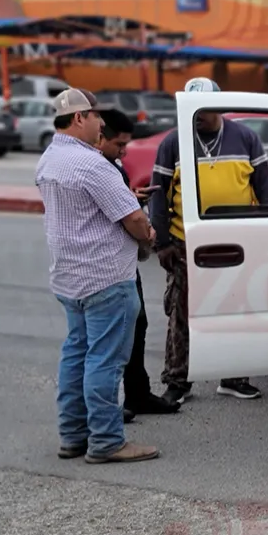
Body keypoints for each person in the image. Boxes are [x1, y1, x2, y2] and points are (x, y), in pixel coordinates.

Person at [35, 88, 159, 464]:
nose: (101, 124)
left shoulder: (49, 159)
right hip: (106, 278)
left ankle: (73, 435)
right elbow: (133, 219)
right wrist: (149, 236)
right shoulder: (92, 165)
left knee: (76, 356)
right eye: (95, 117)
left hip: (70, 277)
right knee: (104, 361)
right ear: (78, 119)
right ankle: (106, 441)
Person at [147, 77, 268, 406]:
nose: (198, 116)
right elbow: (159, 196)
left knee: (235, 310)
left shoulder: (246, 138)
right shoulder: (174, 142)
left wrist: (267, 235)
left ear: (220, 107)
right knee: (181, 312)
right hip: (186, 244)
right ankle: (178, 379)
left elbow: (266, 190)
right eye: (192, 110)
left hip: (238, 245)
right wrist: (162, 242)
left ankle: (234, 377)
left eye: (203, 109)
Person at [95, 109, 181, 420]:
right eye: (119, 145)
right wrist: (147, 230)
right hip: (109, 268)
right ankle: (108, 408)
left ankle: (137, 394)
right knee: (112, 339)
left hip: (126, 263)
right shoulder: (96, 168)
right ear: (99, 136)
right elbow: (127, 219)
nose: (124, 151)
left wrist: (132, 197)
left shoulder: (112, 166)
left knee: (138, 326)